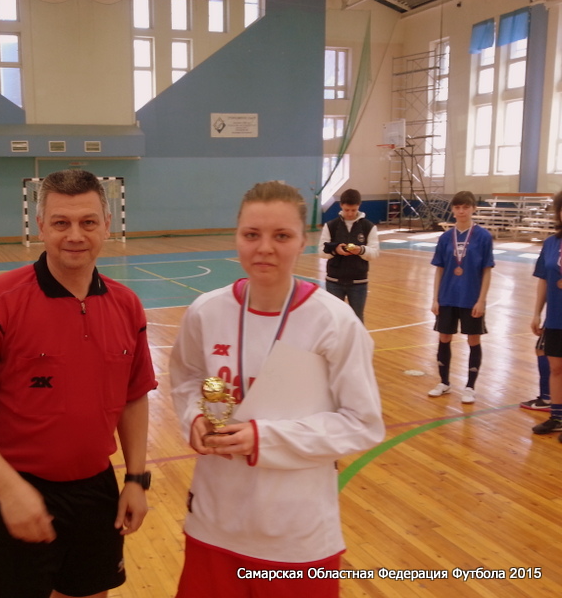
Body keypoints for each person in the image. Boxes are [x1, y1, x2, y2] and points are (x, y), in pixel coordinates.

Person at [0, 169, 157, 598]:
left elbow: (133, 397)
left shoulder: (127, 305)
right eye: (61, 223)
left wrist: (135, 479)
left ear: (107, 225)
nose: (75, 235)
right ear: (41, 227)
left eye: (88, 222)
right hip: (11, 491)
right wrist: (9, 490)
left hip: (95, 491)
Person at [169, 181, 384, 598]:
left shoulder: (334, 322)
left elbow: (363, 424)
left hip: (296, 535)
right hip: (214, 522)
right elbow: (188, 379)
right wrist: (194, 417)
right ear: (236, 237)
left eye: (281, 236)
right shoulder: (206, 311)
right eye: (252, 234)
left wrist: (263, 438)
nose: (264, 248)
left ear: (303, 242)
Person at [427, 190, 494, 404]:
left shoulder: (483, 237)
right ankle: (444, 382)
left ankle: (470, 386)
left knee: (473, 339)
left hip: (471, 297)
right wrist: (435, 298)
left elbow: (487, 270)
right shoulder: (446, 237)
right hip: (447, 296)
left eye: (465, 207)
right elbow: (439, 269)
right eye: (457, 207)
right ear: (453, 210)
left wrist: (481, 300)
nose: (461, 211)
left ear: (473, 208)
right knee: (444, 337)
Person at [528, 190, 562, 438]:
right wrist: (536, 313)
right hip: (556, 316)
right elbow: (543, 279)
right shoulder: (551, 243)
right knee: (556, 367)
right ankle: (557, 418)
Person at [319, 188, 380, 322]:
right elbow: (321, 251)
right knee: (335, 319)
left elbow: (374, 253)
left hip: (359, 283)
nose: (350, 213)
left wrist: (361, 250)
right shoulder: (331, 226)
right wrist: (335, 250)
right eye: (347, 210)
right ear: (341, 205)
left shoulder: (368, 227)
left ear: (359, 206)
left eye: (353, 210)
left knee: (357, 319)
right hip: (334, 282)